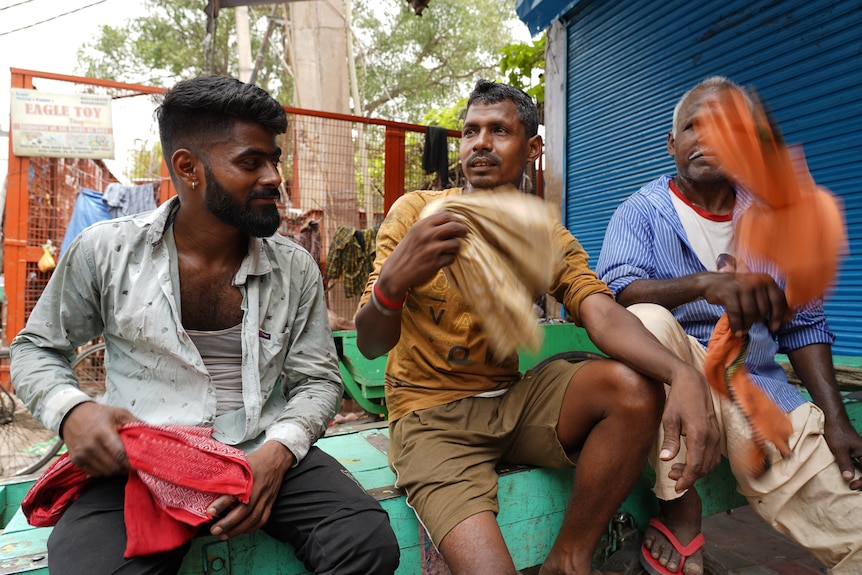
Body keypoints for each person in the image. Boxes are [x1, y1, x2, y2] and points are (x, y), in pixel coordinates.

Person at [10, 75, 400, 575]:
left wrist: (278, 454)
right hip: (142, 458)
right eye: (250, 161)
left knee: (365, 544)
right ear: (188, 167)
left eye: (274, 159)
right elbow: (36, 349)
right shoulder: (105, 252)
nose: (274, 177)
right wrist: (73, 412)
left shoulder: (294, 267)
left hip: (262, 447)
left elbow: (318, 379)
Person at [354, 79, 722, 575]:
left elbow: (601, 311)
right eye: (470, 131)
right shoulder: (417, 213)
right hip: (431, 422)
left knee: (635, 387)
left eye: (499, 130)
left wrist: (683, 374)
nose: (480, 143)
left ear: (531, 148)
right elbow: (371, 343)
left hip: (511, 401)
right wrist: (393, 282)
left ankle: (569, 559)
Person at [596, 76, 862, 575]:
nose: (707, 137)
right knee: (643, 321)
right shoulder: (642, 211)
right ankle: (678, 505)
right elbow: (616, 296)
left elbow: (803, 325)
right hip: (672, 377)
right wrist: (704, 285)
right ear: (671, 144)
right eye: (692, 126)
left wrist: (837, 421)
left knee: (855, 529)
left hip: (752, 388)